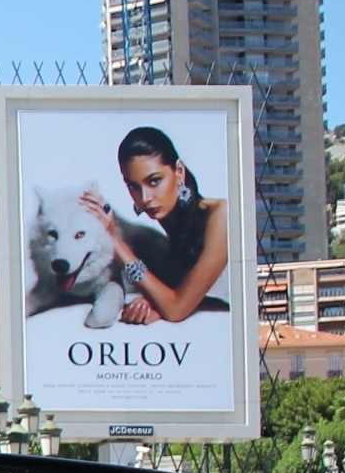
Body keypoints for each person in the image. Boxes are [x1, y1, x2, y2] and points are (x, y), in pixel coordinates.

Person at [77, 125, 231, 326]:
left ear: (179, 172)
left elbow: (176, 309)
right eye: (133, 186)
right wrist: (155, 304)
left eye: (154, 181)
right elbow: (182, 297)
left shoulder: (221, 215)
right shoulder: (169, 230)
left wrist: (114, 241)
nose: (145, 198)